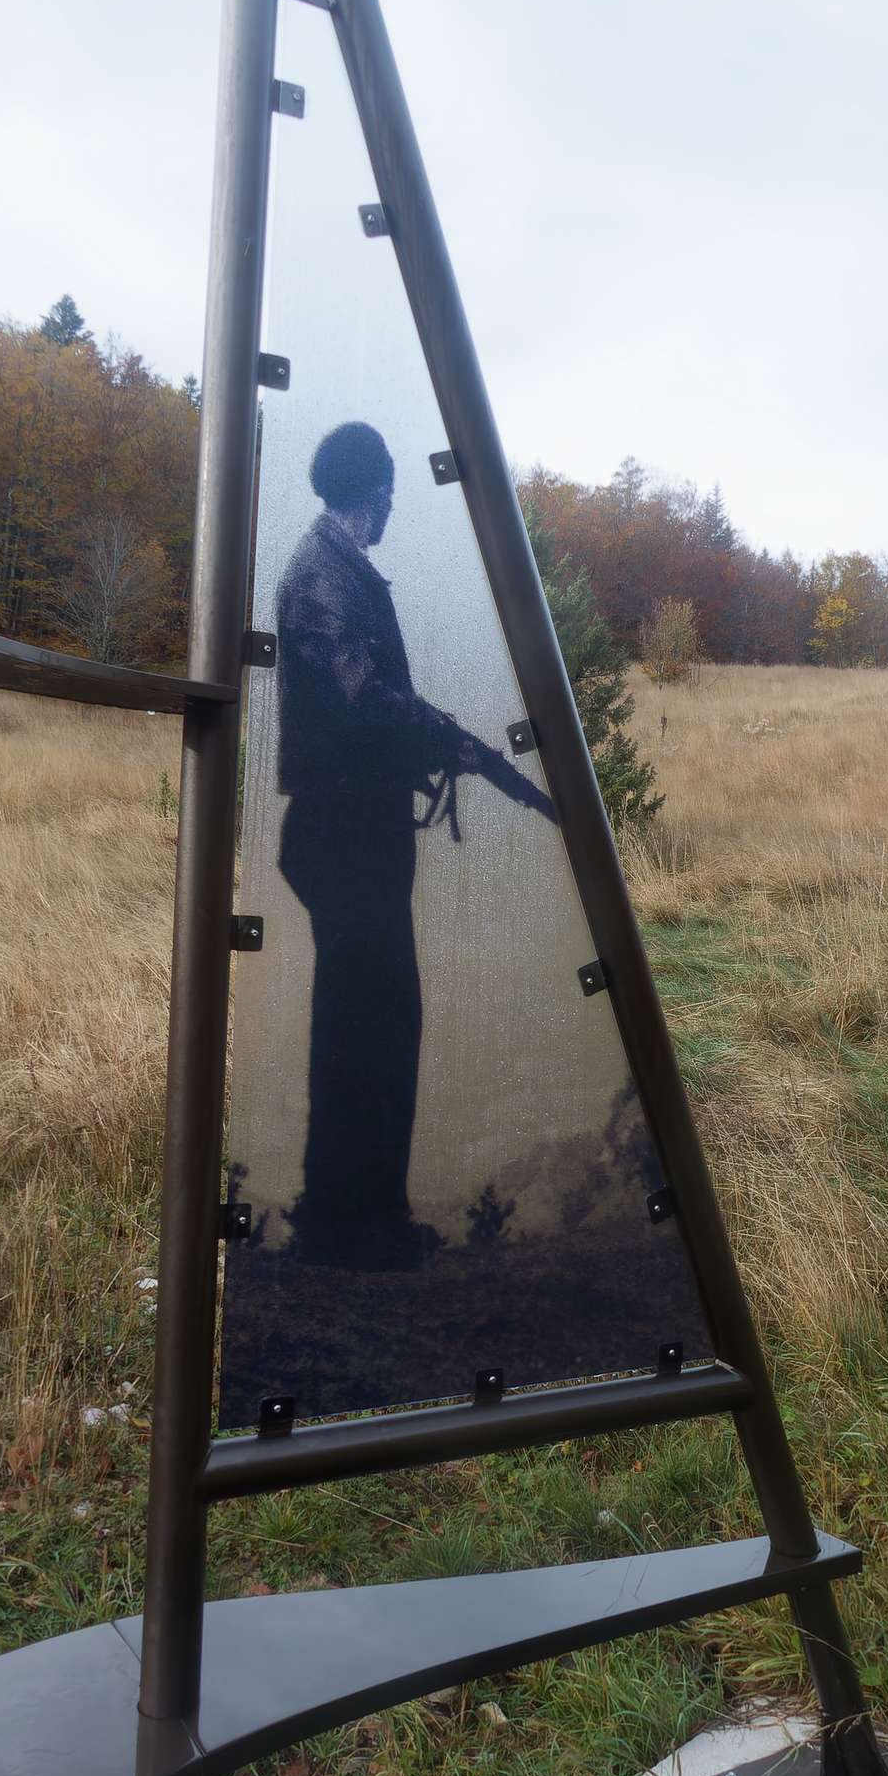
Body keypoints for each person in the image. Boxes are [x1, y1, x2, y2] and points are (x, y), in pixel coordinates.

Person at [276, 421, 555, 1270]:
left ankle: (358, 1217)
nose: (395, 503)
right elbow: (364, 701)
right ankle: (350, 1227)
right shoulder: (322, 578)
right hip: (344, 834)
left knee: (374, 1020)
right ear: (372, 490)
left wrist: (444, 740)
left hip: (355, 830)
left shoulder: (336, 571)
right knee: (369, 1024)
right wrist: (447, 737)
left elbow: (368, 699)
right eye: (391, 489)